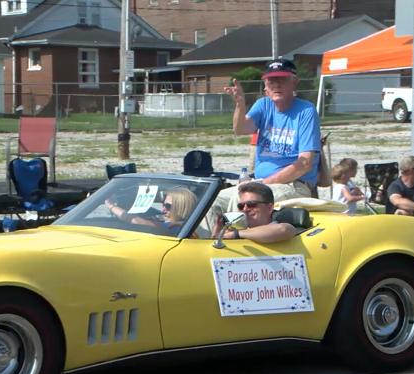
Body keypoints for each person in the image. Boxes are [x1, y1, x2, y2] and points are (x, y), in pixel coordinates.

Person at [212, 58, 321, 224]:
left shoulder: (306, 111)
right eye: (272, 80)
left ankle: (236, 244)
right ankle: (206, 244)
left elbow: (305, 163)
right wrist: (240, 104)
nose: (276, 85)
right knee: (212, 202)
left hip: (293, 185)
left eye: (282, 79)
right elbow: (241, 129)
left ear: (294, 82)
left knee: (245, 202)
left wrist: (263, 184)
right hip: (261, 182)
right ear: (265, 86)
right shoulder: (263, 105)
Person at [218, 182, 296, 243]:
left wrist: (237, 234)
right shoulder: (234, 231)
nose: (245, 209)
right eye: (241, 206)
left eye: (251, 204)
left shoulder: (279, 228)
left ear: (269, 208)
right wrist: (218, 229)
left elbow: (284, 230)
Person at [105, 187, 198, 236]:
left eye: (168, 206)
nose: (163, 209)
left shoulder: (175, 227)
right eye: (163, 204)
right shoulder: (185, 224)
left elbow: (136, 221)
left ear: (180, 207)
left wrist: (111, 206)